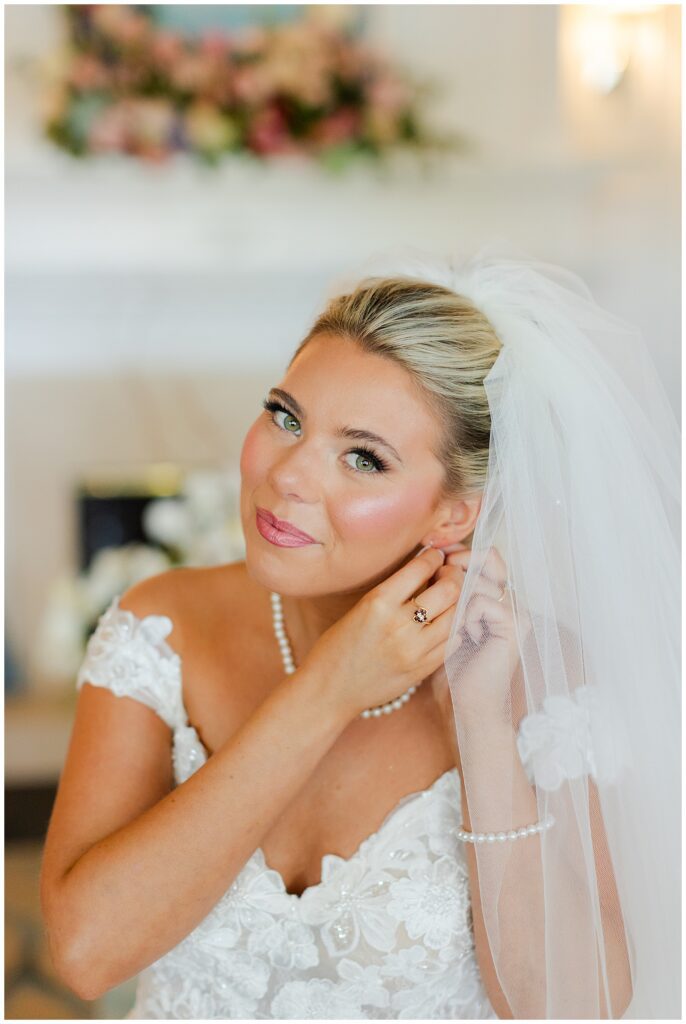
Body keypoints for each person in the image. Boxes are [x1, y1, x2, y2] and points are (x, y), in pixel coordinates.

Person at [39, 242, 680, 1020]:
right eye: (285, 417)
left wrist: (480, 726)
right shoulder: (161, 628)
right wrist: (328, 690)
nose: (288, 476)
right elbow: (85, 954)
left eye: (364, 459)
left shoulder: (539, 671)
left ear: (456, 512)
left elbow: (574, 1011)